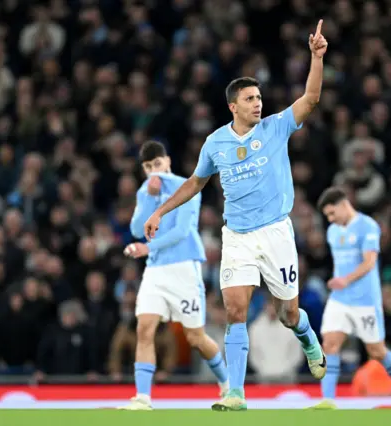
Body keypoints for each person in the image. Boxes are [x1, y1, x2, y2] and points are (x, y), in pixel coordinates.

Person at [143, 20, 329, 411]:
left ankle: (308, 337)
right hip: (238, 236)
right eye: (250, 99)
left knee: (288, 313)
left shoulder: (276, 127)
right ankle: (236, 393)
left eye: (259, 97)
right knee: (234, 310)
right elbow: (195, 183)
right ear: (233, 106)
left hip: (276, 233)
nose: (258, 103)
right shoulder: (216, 143)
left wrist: (316, 57)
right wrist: (160, 210)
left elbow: (311, 98)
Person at [118, 141, 229, 411]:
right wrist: (148, 197)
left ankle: (228, 385)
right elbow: (136, 228)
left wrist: (147, 247)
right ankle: (143, 397)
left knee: (196, 338)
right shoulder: (147, 190)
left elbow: (181, 231)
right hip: (155, 271)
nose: (153, 171)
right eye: (147, 167)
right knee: (144, 328)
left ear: (167, 161)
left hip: (184, 270)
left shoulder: (187, 185)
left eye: (157, 164)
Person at [314, 187, 391, 410]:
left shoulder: (368, 226)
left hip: (365, 300)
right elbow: (342, 264)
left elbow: (369, 263)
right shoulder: (333, 231)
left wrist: (346, 280)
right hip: (340, 298)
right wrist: (339, 282)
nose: (330, 219)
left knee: (376, 351)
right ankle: (328, 400)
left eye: (332, 213)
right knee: (330, 343)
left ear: (343, 204)